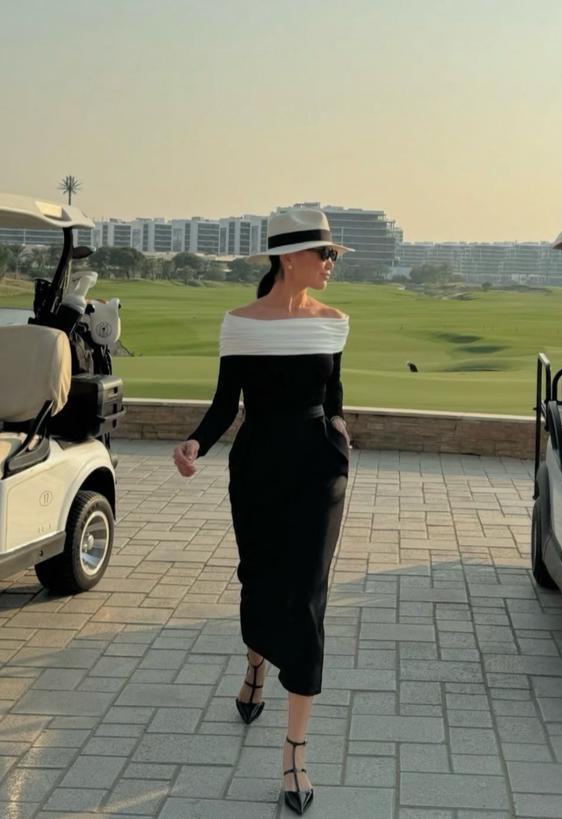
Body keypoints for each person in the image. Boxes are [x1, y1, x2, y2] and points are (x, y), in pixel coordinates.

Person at [173, 207, 352, 816]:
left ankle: (295, 750)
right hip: (257, 468)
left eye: (333, 254)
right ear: (289, 258)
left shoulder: (334, 322)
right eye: (324, 253)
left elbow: (333, 395)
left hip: (319, 470)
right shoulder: (241, 323)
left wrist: (340, 429)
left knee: (306, 597)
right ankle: (255, 664)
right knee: (259, 579)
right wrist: (196, 442)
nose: (331, 263)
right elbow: (227, 403)